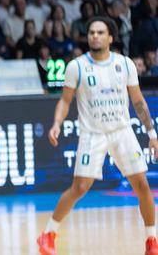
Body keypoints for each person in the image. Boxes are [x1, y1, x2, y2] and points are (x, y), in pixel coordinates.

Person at [37, 16, 158, 255]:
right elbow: (65, 100)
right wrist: (56, 124)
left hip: (122, 131)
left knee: (142, 185)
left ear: (110, 37)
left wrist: (152, 133)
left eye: (100, 32)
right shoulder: (77, 66)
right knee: (80, 187)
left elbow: (139, 102)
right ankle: (48, 234)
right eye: (92, 32)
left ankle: (151, 240)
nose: (95, 36)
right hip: (93, 134)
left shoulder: (125, 64)